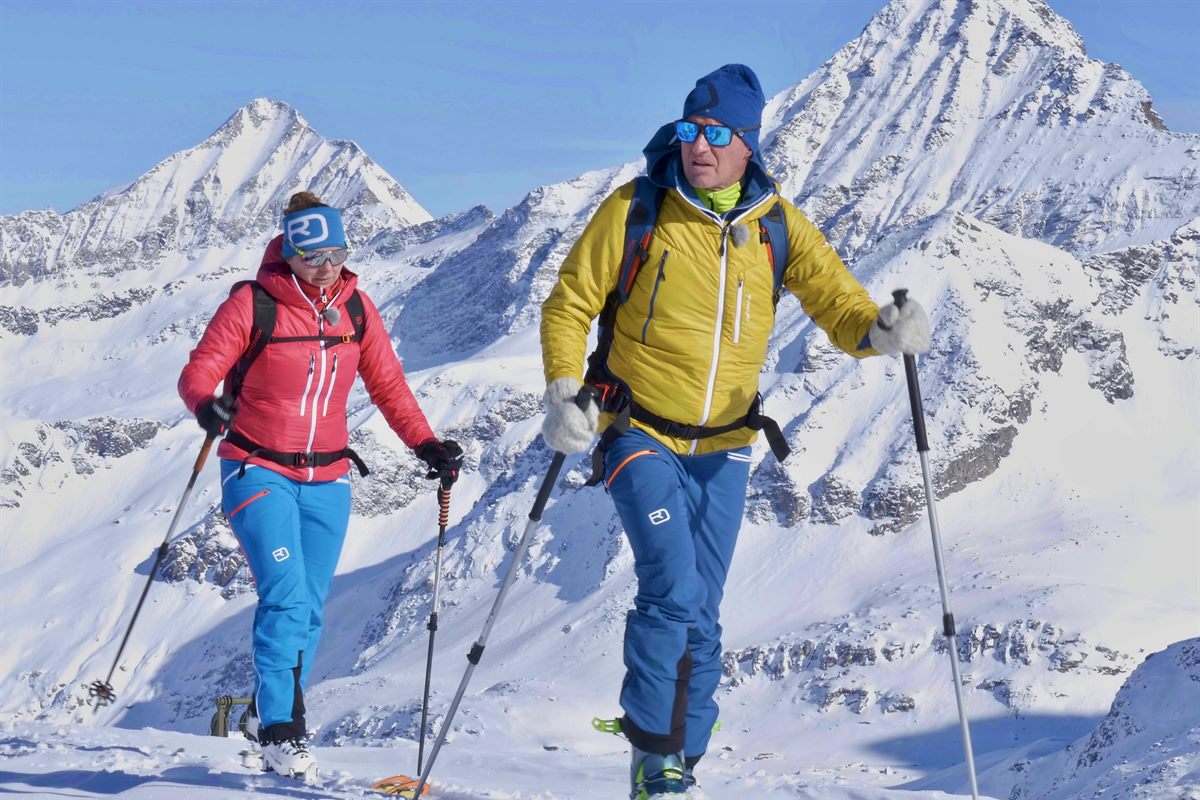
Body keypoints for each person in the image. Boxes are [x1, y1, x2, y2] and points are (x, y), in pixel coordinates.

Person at [539, 65, 930, 798]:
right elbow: (570, 303)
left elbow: (840, 306)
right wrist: (565, 389)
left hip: (725, 447)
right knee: (670, 588)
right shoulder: (638, 210)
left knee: (703, 613)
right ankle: (652, 756)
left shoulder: (777, 225)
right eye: (691, 129)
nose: (699, 146)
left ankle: (682, 762)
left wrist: (883, 331)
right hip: (638, 432)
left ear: (749, 141)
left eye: (717, 134)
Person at [178, 191, 463, 779]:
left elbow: (388, 386)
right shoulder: (253, 304)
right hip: (257, 468)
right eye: (314, 257)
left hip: (328, 478)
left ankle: (264, 711)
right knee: (284, 597)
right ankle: (282, 731)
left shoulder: (357, 309)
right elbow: (200, 370)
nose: (328, 266)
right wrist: (206, 405)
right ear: (289, 253)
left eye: (338, 253)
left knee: (308, 609)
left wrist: (425, 443)